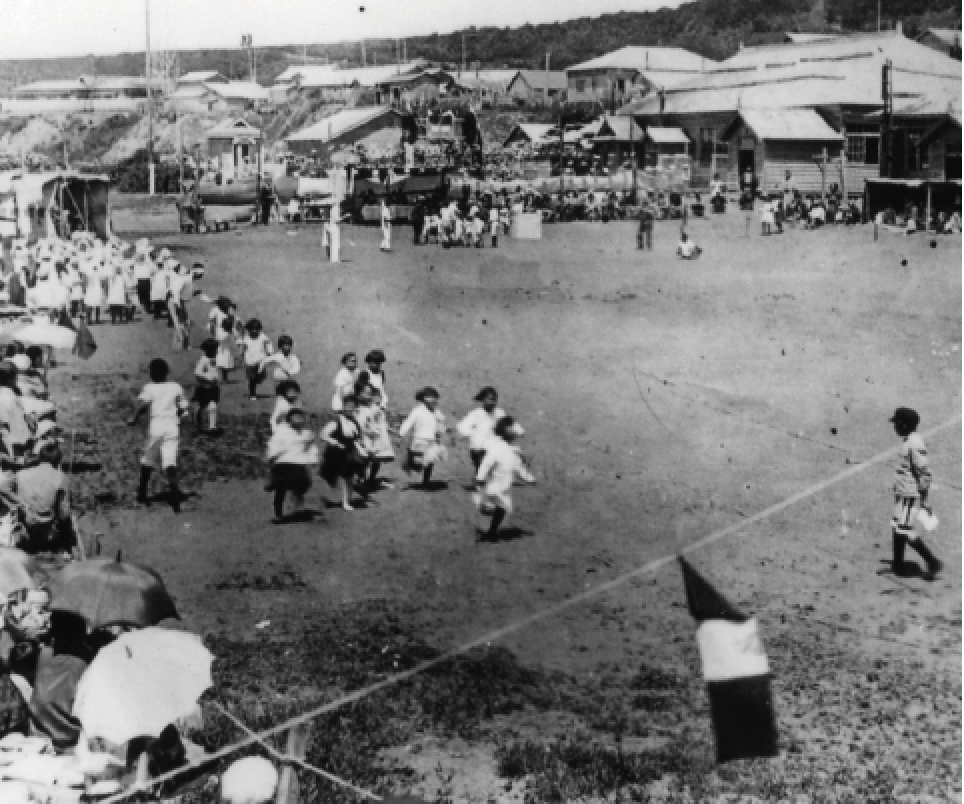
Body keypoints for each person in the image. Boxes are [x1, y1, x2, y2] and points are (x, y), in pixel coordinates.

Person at [128, 358, 189, 512]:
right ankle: (174, 492)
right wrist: (182, 416)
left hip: (157, 427)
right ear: (167, 373)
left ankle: (142, 492)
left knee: (148, 459)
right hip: (172, 427)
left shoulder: (150, 388)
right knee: (170, 461)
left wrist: (134, 418)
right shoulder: (175, 387)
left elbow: (142, 405)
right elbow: (183, 407)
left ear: (151, 374)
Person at [889, 407, 941, 580]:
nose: (894, 427)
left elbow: (923, 472)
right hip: (903, 493)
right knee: (897, 527)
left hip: (910, 495)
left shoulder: (915, 443)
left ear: (903, 425)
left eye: (896, 423)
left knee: (904, 530)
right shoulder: (909, 440)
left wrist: (924, 499)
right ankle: (897, 564)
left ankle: (931, 560)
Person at [473, 416, 535, 541]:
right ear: (503, 431)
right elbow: (487, 463)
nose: (514, 433)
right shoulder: (496, 447)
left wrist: (528, 478)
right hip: (495, 483)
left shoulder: (514, 450)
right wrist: (480, 477)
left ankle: (491, 532)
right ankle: (488, 527)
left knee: (503, 508)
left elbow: (517, 466)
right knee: (496, 504)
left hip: (504, 485)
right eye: (510, 429)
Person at [14, 442, 75, 554]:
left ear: (39, 457)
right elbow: (64, 512)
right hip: (46, 525)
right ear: (58, 460)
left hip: (26, 522)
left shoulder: (20, 474)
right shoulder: (61, 477)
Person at [266, 408, 319, 523]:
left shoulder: (307, 433)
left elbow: (311, 449)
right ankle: (278, 514)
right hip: (283, 463)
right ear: (289, 420)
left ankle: (296, 498)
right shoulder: (282, 432)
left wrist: (313, 459)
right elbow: (273, 446)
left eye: (300, 417)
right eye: (294, 417)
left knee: (303, 483)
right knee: (281, 489)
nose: (298, 420)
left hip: (299, 463)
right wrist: (271, 459)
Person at [319, 394, 369, 511]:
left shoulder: (355, 422)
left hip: (351, 452)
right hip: (337, 453)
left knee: (349, 477)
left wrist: (363, 446)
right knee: (339, 477)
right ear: (343, 407)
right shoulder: (337, 420)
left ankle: (347, 501)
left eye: (353, 406)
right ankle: (342, 501)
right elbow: (323, 435)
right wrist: (335, 442)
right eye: (348, 406)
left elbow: (358, 437)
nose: (350, 409)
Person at [399, 387, 446, 489]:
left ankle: (425, 483)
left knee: (429, 462)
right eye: (429, 397)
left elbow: (440, 423)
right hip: (419, 440)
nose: (432, 400)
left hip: (432, 441)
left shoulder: (436, 412)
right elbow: (409, 421)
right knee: (417, 463)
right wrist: (402, 432)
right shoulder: (417, 411)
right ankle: (410, 464)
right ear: (423, 398)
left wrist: (440, 433)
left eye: (434, 398)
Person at [457, 387, 507, 471]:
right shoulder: (476, 413)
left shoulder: (500, 413)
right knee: (481, 472)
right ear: (483, 400)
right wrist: (475, 433)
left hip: (494, 447)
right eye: (490, 399)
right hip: (479, 448)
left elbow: (507, 426)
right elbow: (462, 427)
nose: (493, 402)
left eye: (494, 399)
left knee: (494, 472)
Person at [239, 319, 272, 401]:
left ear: (259, 329)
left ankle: (256, 381)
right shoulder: (246, 338)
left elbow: (267, 343)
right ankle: (252, 394)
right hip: (250, 361)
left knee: (262, 376)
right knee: (252, 379)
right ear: (248, 330)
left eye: (256, 329)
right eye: (252, 329)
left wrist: (269, 352)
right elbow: (243, 347)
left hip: (261, 359)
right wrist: (241, 355)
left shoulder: (262, 336)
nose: (254, 331)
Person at [193, 339, 221, 436]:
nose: (216, 351)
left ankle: (212, 427)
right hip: (203, 388)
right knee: (200, 408)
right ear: (207, 350)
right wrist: (208, 378)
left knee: (213, 406)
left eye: (216, 349)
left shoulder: (215, 359)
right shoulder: (203, 360)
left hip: (213, 387)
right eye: (213, 350)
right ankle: (198, 426)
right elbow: (197, 373)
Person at [209, 297, 238, 382]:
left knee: (224, 355)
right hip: (221, 334)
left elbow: (232, 322)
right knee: (222, 355)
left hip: (224, 334)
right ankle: (219, 377)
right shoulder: (217, 311)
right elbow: (212, 323)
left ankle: (223, 377)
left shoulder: (228, 311)